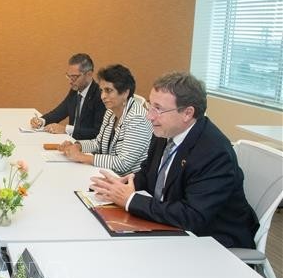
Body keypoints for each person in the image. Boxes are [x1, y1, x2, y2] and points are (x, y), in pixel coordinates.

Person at [89, 72, 259, 249]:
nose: (150, 116)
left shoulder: (214, 152)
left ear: (187, 113)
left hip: (212, 241)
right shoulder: (166, 131)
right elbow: (149, 173)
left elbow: (193, 216)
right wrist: (121, 185)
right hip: (173, 226)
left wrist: (131, 200)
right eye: (149, 106)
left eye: (158, 109)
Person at [58, 64, 152, 176]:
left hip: (128, 182)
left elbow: (123, 163)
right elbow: (98, 143)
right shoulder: (110, 112)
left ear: (125, 93)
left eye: (108, 90)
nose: (102, 96)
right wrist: (77, 146)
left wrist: (82, 157)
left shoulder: (137, 119)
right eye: (102, 90)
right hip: (108, 174)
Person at [30, 53, 106, 139]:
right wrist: (41, 121)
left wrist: (66, 129)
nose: (70, 81)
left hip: (88, 147)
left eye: (74, 77)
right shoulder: (74, 91)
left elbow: (97, 132)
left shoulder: (100, 96)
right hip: (71, 143)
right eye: (68, 76)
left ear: (89, 74)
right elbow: (59, 112)